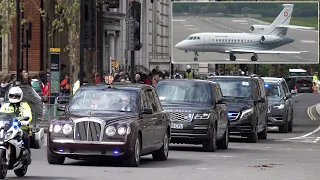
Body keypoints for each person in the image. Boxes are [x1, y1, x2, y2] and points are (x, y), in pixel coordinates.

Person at [0, 86, 32, 165]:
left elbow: (28, 115)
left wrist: (25, 121)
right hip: (7, 125)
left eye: (16, 96)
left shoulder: (24, 105)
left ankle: (26, 153)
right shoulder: (5, 105)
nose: (14, 97)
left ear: (20, 96)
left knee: (24, 135)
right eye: (12, 95)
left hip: (21, 126)